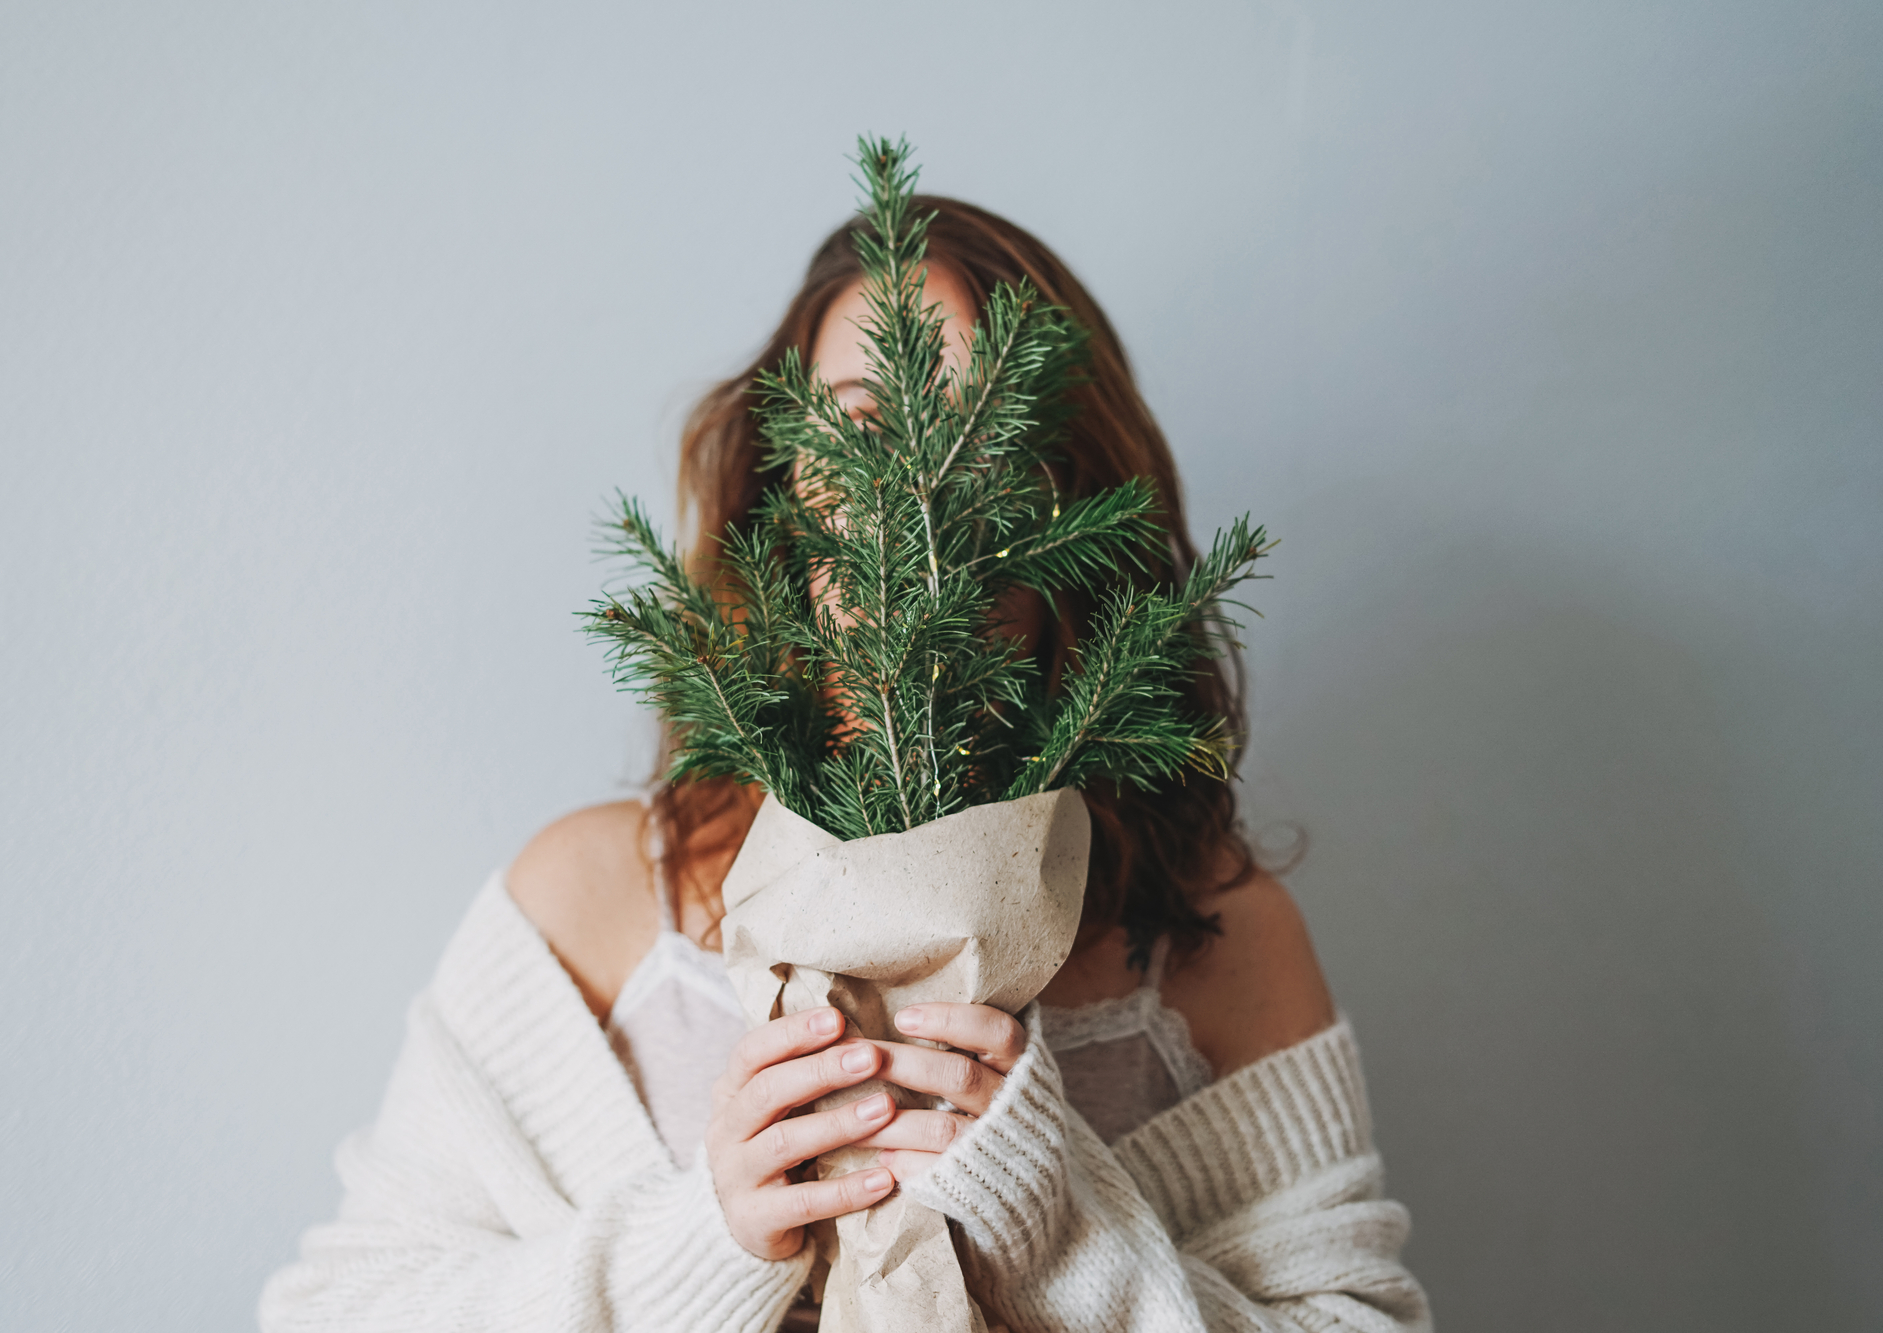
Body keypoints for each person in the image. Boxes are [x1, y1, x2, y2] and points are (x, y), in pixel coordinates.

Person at [260, 198, 1432, 1333]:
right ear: (780, 488)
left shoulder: (1213, 939)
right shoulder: (591, 905)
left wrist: (1066, 1232)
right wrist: (703, 1246)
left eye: (982, 433)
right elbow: (334, 1315)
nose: (913, 493)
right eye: (863, 427)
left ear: (1074, 494)